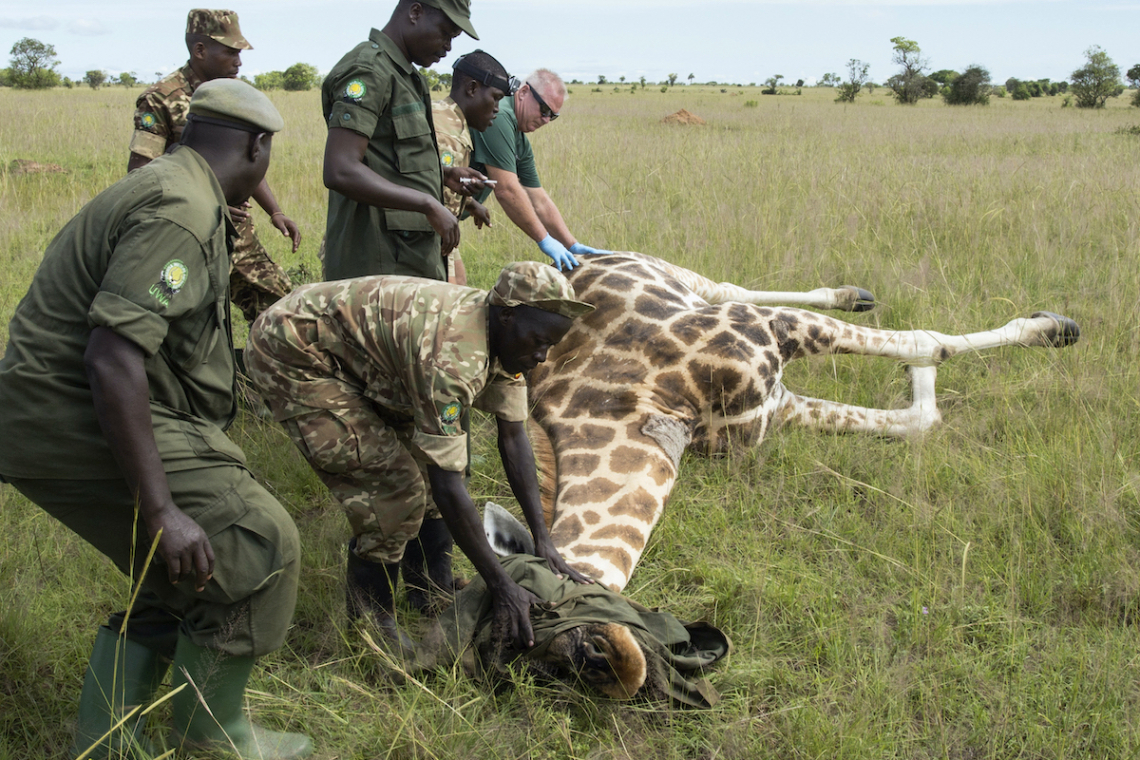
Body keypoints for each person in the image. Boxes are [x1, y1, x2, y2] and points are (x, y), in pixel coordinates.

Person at [0, 80, 312, 759]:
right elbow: (112, 356)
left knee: (192, 567)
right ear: (257, 146)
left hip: (66, 402)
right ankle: (211, 734)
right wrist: (162, 506)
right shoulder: (180, 206)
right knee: (257, 544)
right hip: (66, 407)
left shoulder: (181, 185)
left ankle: (106, 738)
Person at [244, 261, 595, 652]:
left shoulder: (508, 340)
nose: (543, 357)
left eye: (550, 344)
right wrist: (501, 585)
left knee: (432, 474)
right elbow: (447, 485)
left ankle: (429, 589)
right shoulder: (452, 359)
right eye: (538, 342)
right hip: (295, 350)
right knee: (394, 491)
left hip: (358, 352)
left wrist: (543, 540)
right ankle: (371, 629)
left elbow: (513, 437)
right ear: (507, 315)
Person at [129, 8, 300, 326]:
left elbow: (246, 162)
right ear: (200, 50)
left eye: (240, 53)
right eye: (231, 52)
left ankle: (270, 372)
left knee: (281, 310)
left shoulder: (235, 98)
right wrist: (211, 204)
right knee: (183, 319)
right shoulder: (161, 100)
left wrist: (274, 211)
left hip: (235, 234)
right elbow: (141, 177)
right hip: (183, 230)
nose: (239, 62)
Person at [320, 0, 488, 283]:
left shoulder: (409, 78)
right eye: (445, 33)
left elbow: (388, 159)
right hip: (377, 265)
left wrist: (444, 174)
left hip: (409, 258)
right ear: (415, 12)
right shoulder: (370, 71)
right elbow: (340, 169)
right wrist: (428, 204)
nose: (448, 47)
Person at [470, 68, 610, 271]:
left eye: (552, 116)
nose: (545, 120)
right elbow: (506, 190)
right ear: (524, 92)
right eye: (544, 110)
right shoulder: (499, 117)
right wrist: (544, 240)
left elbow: (539, 200)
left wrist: (572, 245)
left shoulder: (521, 142)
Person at [432, 49, 514, 286]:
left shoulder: (448, 118)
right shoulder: (447, 134)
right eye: (496, 98)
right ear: (472, 89)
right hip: (421, 243)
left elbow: (436, 178)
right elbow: (429, 195)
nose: (497, 109)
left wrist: (469, 203)